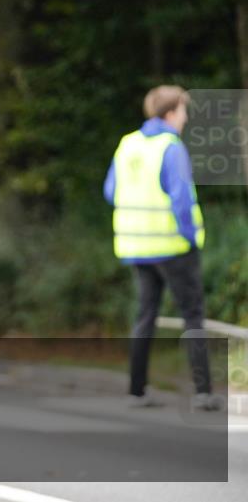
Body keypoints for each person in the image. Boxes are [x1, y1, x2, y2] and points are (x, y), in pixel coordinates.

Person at [103, 85, 220, 411]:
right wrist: (191, 236)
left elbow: (111, 191)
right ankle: (202, 392)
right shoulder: (171, 146)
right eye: (183, 110)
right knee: (193, 316)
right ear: (170, 113)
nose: (185, 117)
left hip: (135, 247)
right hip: (172, 247)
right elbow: (181, 200)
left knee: (145, 316)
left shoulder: (128, 144)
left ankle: (136, 391)